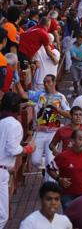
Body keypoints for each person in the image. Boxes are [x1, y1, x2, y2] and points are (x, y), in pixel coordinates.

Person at [0, 92, 36, 229]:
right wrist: (29, 149)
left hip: (2, 167)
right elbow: (13, 150)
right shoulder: (14, 124)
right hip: (1, 171)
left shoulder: (2, 121)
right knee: (2, 216)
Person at [47, 129, 82, 210]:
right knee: (70, 218)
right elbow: (50, 168)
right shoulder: (63, 156)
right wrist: (59, 179)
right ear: (72, 141)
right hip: (68, 196)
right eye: (81, 139)